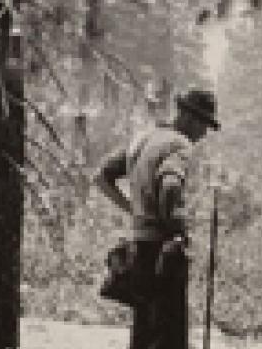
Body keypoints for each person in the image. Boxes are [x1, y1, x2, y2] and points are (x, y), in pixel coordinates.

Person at [95, 88, 220, 349]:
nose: (203, 133)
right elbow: (171, 185)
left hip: (140, 249)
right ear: (188, 118)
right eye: (203, 124)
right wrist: (176, 230)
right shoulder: (179, 144)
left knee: (143, 333)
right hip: (165, 252)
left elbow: (102, 177)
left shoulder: (144, 139)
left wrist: (134, 209)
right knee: (169, 335)